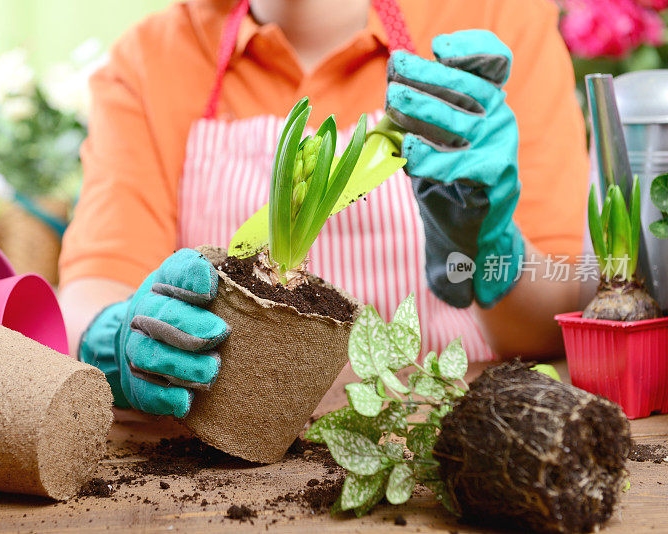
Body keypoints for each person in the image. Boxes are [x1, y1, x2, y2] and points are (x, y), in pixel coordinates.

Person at [59, 0, 588, 417]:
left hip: (446, 437)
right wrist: (118, 339)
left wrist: (494, 250)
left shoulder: (499, 21)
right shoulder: (151, 59)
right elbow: (90, 290)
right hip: (228, 459)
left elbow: (563, 313)